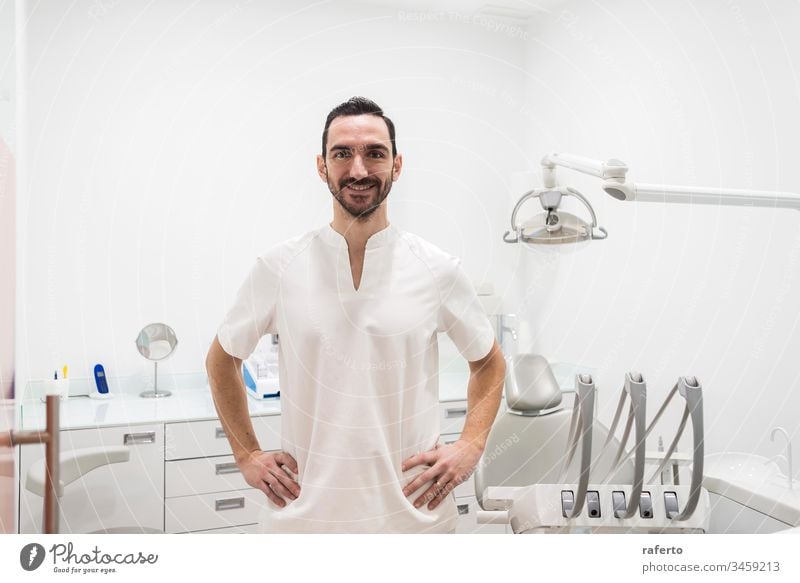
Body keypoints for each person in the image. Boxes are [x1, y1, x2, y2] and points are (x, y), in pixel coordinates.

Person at [206, 97, 506, 533]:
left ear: (397, 165)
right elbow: (222, 359)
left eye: (375, 153)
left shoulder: (436, 269)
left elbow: (489, 362)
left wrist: (472, 443)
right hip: (303, 522)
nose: (359, 170)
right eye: (342, 153)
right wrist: (247, 455)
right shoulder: (279, 267)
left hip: (413, 521)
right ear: (321, 166)